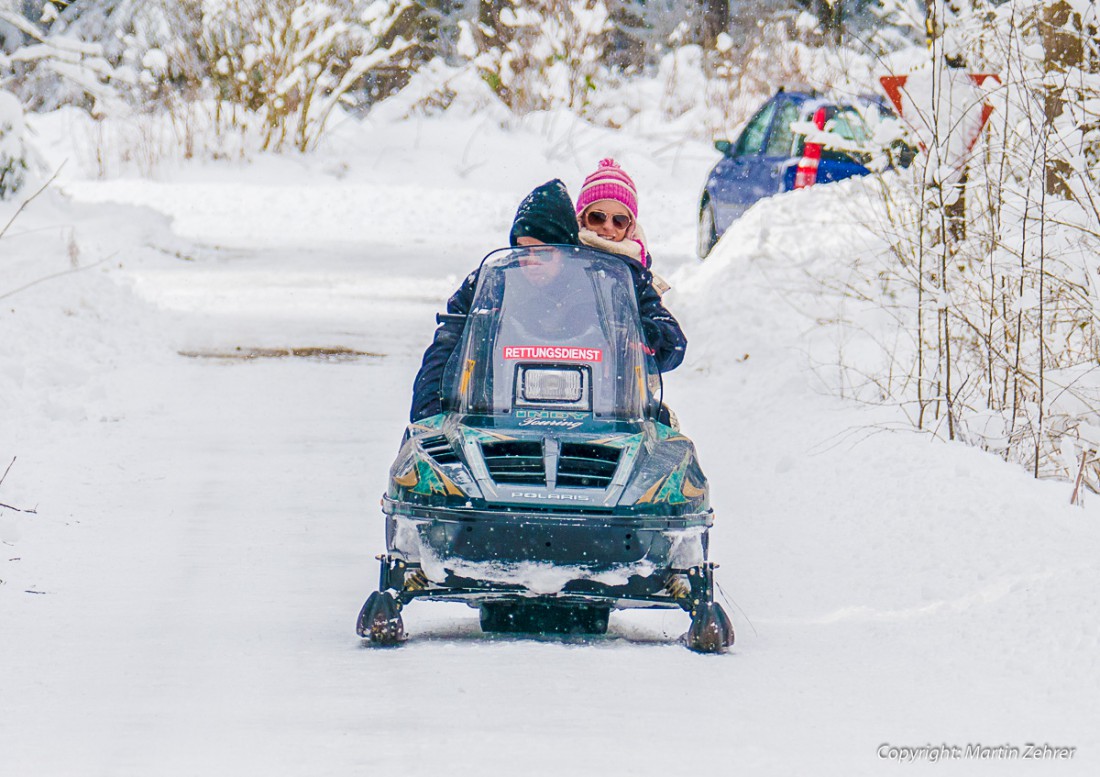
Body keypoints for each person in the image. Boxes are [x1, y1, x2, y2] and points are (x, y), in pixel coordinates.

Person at [409, 179, 685, 422]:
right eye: (521, 249)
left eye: (543, 252)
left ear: (566, 251)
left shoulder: (609, 282)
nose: (530, 260)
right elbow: (444, 348)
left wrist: (647, 333)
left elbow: (673, 343)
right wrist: (428, 413)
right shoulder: (490, 284)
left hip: (603, 417)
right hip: (494, 414)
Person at [575, 158, 670, 293]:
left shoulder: (637, 272)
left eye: (619, 220)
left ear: (630, 226)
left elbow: (649, 307)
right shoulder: (565, 258)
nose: (608, 226)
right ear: (582, 217)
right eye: (597, 217)